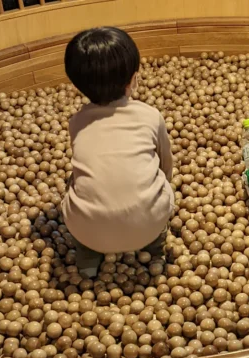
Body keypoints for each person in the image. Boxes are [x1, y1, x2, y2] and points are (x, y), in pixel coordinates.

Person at [61, 27, 174, 276]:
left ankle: (88, 260)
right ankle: (155, 249)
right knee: (160, 184)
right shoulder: (150, 116)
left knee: (71, 184)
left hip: (89, 231)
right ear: (133, 80)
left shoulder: (77, 122)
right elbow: (166, 165)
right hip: (148, 224)